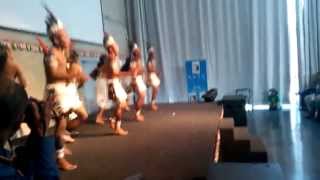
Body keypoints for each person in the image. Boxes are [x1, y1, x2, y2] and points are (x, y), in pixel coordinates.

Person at [43, 6, 77, 171]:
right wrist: (71, 75)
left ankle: (59, 148)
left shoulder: (61, 52)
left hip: (62, 91)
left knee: (64, 121)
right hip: (55, 93)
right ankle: (59, 158)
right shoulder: (52, 53)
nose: (68, 36)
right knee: (60, 124)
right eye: (64, 34)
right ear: (56, 39)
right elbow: (53, 73)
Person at [101, 34, 129, 136]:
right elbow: (114, 73)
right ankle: (117, 127)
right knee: (120, 105)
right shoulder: (111, 57)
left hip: (114, 83)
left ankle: (113, 120)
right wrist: (129, 73)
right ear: (111, 47)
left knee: (123, 104)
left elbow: (106, 71)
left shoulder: (112, 57)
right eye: (115, 45)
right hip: (113, 84)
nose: (118, 46)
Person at [130, 44, 147, 121]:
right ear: (134, 52)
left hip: (139, 79)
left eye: (139, 51)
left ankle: (137, 113)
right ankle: (137, 115)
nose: (139, 52)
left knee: (142, 97)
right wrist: (134, 82)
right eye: (137, 51)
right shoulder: (134, 61)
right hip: (136, 80)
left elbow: (141, 70)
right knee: (141, 96)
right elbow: (134, 72)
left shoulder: (138, 60)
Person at [147, 46, 161, 111]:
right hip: (151, 76)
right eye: (152, 53)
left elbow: (154, 68)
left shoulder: (153, 60)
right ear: (150, 54)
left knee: (156, 90)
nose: (153, 54)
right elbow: (150, 70)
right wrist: (155, 72)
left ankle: (153, 103)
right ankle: (152, 104)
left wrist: (157, 72)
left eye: (153, 52)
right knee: (155, 90)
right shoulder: (149, 61)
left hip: (154, 75)